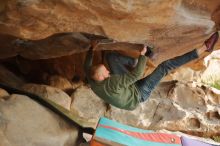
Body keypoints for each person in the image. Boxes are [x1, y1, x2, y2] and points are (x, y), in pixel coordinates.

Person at [84, 32, 219, 110]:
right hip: (138, 95)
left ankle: (134, 63)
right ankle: (204, 48)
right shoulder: (112, 82)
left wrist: (92, 48)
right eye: (106, 72)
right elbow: (136, 75)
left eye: (105, 69)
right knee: (165, 66)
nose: (108, 70)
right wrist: (143, 55)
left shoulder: (92, 78)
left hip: (124, 89)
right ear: (102, 78)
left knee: (111, 57)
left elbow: (87, 65)